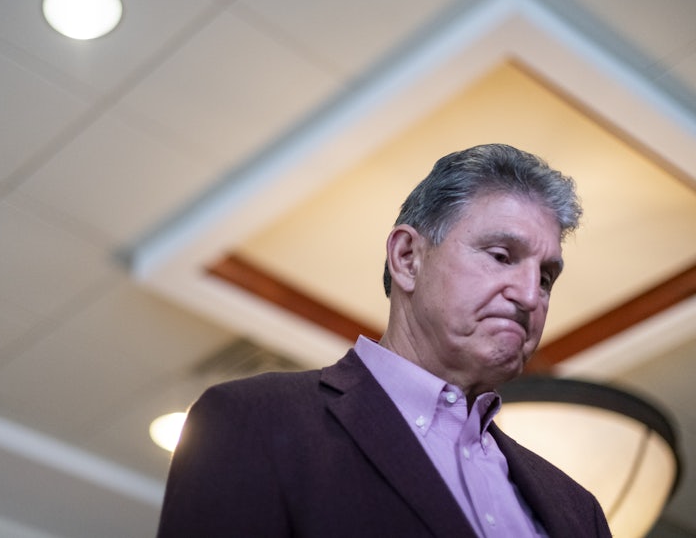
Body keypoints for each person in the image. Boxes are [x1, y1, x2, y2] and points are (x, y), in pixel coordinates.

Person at [157, 144, 611, 537]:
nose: (530, 295)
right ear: (408, 258)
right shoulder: (252, 419)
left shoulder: (579, 510)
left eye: (547, 278)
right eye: (500, 256)